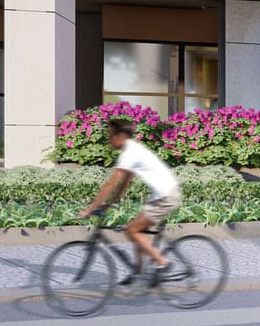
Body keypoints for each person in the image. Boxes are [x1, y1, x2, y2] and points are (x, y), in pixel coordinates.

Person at [79, 117, 185, 286]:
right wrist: (110, 204)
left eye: (111, 135)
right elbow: (124, 182)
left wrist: (91, 209)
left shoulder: (129, 153)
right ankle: (138, 271)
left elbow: (110, 184)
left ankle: (162, 262)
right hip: (162, 195)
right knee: (136, 228)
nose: (109, 139)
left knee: (132, 230)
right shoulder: (133, 150)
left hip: (165, 197)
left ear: (121, 135)